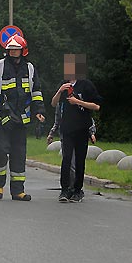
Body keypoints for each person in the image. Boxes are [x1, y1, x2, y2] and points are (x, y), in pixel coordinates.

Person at [0, 34, 45, 201]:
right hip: (3, 119)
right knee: (1, 152)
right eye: (11, 50)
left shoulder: (30, 68)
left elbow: (36, 92)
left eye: (16, 50)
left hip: (21, 120)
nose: (13, 53)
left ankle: (18, 191)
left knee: (19, 155)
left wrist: (39, 110)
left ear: (22, 51)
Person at [51, 53, 102, 203]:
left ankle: (78, 190)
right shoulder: (64, 84)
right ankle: (64, 190)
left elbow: (97, 106)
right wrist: (59, 91)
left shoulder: (86, 85)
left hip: (82, 128)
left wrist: (78, 102)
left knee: (80, 160)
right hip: (67, 128)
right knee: (66, 159)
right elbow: (54, 104)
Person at [47, 99, 96, 188]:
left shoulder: (80, 101)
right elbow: (58, 120)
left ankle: (74, 187)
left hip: (79, 135)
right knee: (68, 161)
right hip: (65, 135)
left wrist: (91, 133)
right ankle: (68, 187)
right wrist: (51, 133)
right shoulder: (60, 104)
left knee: (75, 163)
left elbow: (88, 118)